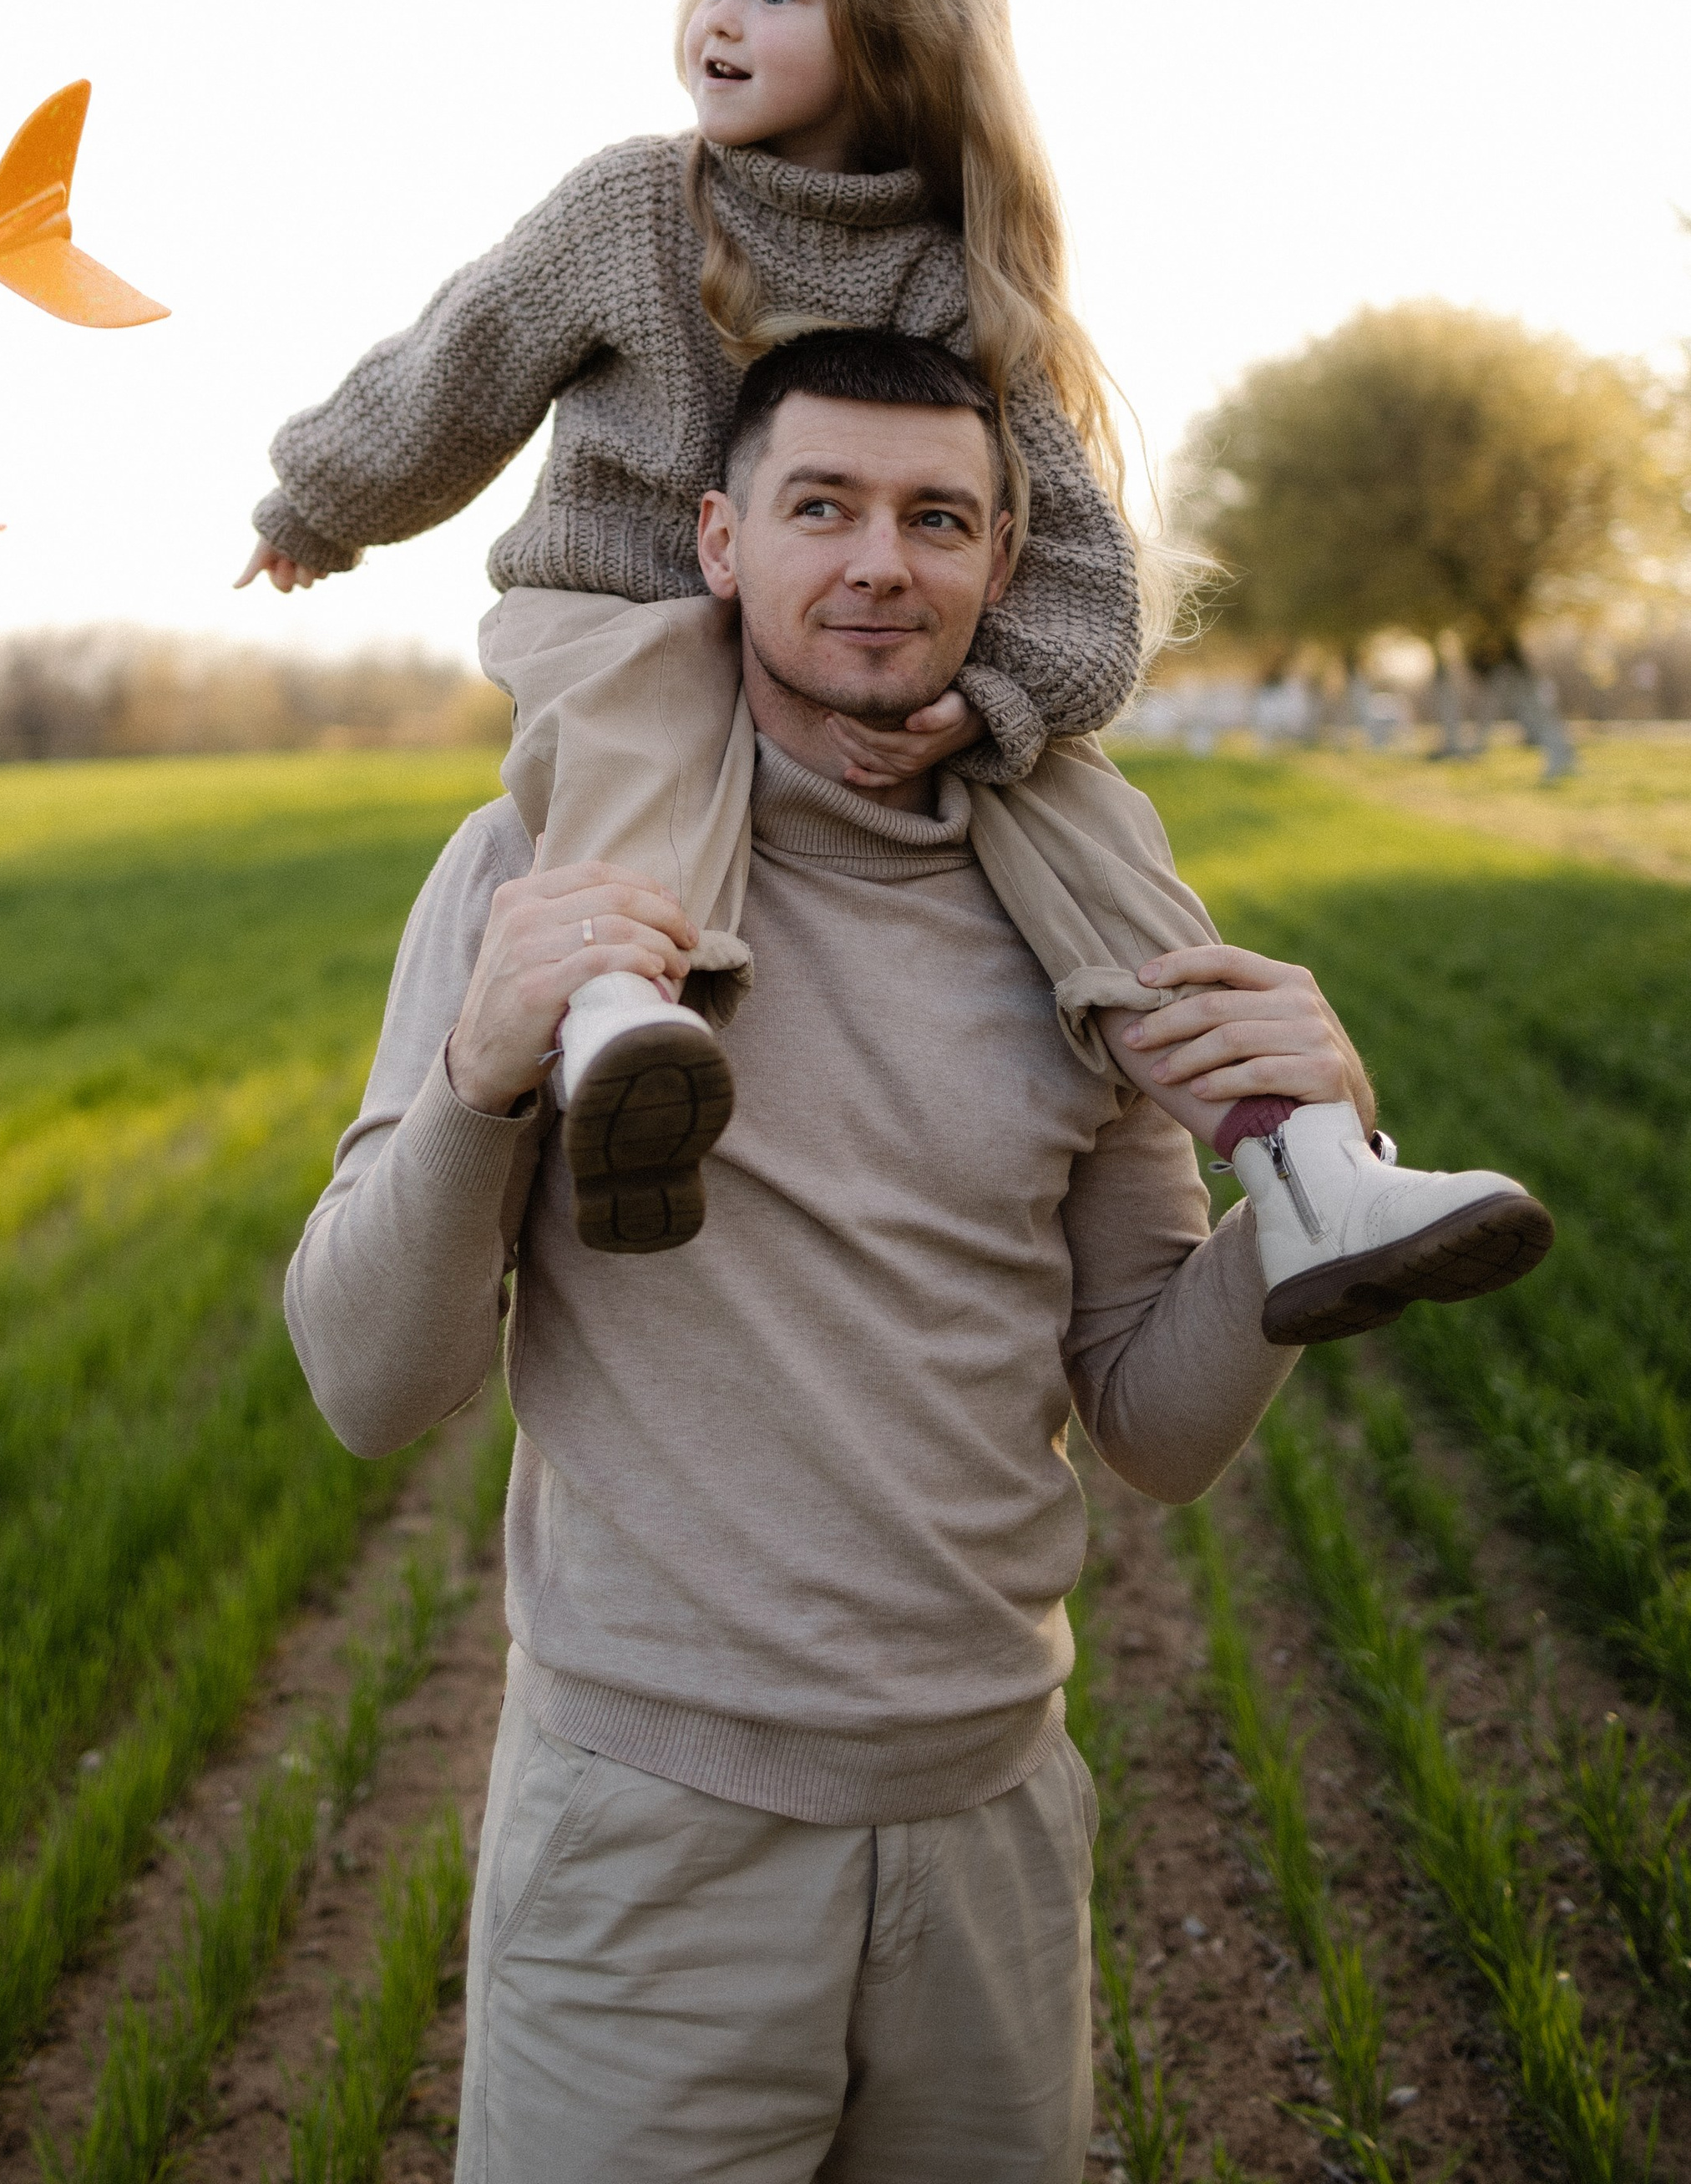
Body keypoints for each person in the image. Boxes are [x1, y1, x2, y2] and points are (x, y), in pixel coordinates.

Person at [284, 338, 1430, 2176]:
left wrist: (1310, 1174)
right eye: (821, 507)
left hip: (993, 1825)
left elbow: (1152, 1420)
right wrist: (477, 1086)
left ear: (1001, 565)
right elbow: (364, 1383)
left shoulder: (1082, 913)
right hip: (647, 1843)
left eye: (935, 519)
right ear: (722, 541)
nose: (879, 562)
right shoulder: (538, 872)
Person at [249, 0, 1551, 1338]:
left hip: (859, 674)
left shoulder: (948, 275)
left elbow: (1076, 569)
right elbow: (460, 362)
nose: (717, 18)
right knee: (647, 719)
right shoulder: (635, 206)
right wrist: (322, 504)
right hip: (616, 605)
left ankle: (1312, 1162)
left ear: (889, 37)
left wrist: (988, 707)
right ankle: (624, 1031)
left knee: (1093, 820)